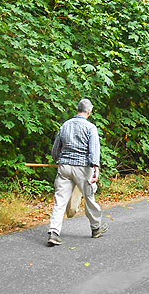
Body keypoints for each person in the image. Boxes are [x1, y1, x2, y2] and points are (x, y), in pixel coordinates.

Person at [47, 99, 108, 246]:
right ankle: (96, 228)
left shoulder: (65, 125)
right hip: (83, 168)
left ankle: (54, 232)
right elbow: (94, 151)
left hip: (64, 167)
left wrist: (57, 159)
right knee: (89, 198)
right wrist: (96, 168)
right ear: (89, 112)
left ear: (78, 109)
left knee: (60, 201)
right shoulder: (90, 127)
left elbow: (56, 149)